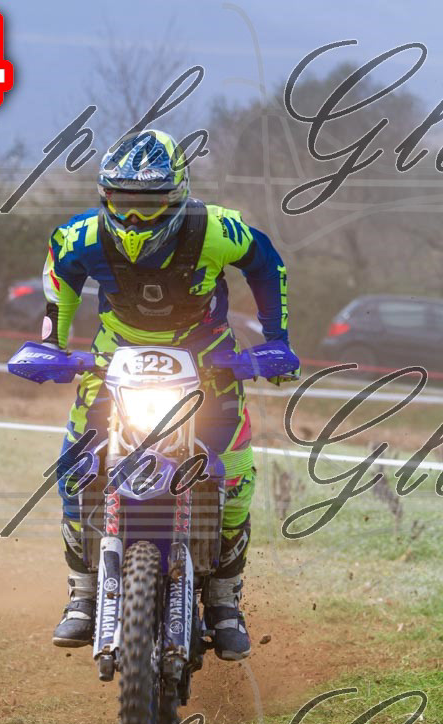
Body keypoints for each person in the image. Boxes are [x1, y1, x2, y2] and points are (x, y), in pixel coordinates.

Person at [40, 129, 298, 661]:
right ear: (105, 196)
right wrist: (50, 348)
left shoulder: (216, 229)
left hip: (209, 364)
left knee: (236, 473)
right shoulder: (79, 237)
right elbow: (59, 280)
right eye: (123, 201)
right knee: (73, 467)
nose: (135, 216)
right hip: (114, 362)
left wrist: (276, 342)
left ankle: (224, 599)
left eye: (151, 202)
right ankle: (82, 592)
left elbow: (266, 262)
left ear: (178, 195)